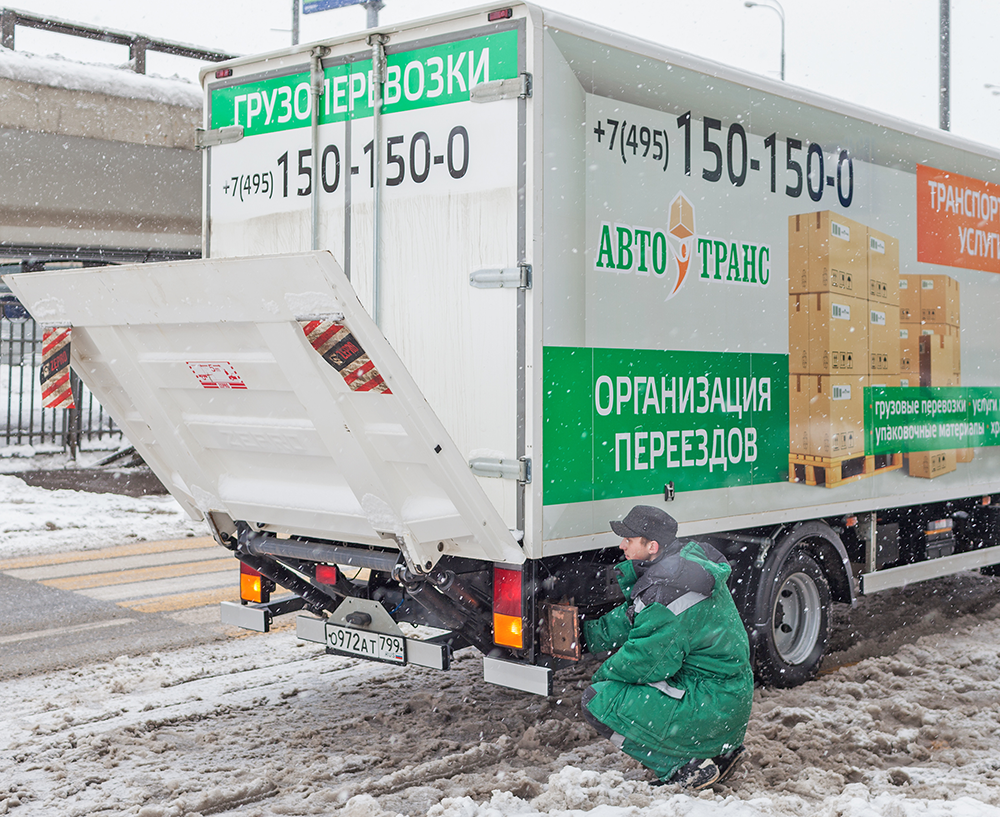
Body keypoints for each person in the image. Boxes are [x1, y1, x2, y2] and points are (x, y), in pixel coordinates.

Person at [579, 505, 754, 790]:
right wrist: (584, 634)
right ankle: (719, 753)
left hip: (713, 705)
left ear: (652, 547)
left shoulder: (668, 591)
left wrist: (601, 677)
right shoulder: (683, 568)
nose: (622, 545)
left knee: (598, 700)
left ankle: (686, 768)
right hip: (726, 701)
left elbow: (645, 661)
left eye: (629, 540)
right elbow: (635, 616)